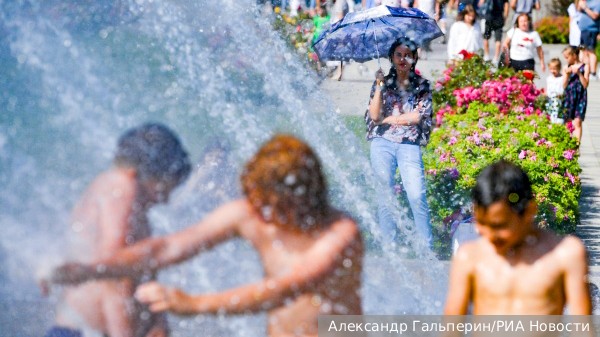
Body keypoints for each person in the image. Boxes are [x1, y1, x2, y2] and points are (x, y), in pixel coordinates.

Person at [48, 134, 364, 337]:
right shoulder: (252, 213)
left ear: (302, 197)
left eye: (270, 205)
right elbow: (167, 247)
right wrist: (93, 269)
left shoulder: (340, 233)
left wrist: (193, 304)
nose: (262, 215)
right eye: (258, 202)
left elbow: (281, 290)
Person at [41, 123, 192, 337]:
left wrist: (158, 323)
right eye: (163, 187)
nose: (164, 200)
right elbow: (114, 274)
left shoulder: (112, 190)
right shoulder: (123, 188)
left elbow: (137, 271)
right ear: (139, 172)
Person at [444, 160, 592, 315]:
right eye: (481, 224)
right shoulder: (469, 257)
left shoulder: (565, 255)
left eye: (499, 226)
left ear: (530, 211)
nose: (489, 235)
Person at [366, 37, 433, 248]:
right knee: (385, 195)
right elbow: (375, 115)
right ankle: (389, 248)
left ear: (414, 58)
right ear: (392, 58)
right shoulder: (382, 83)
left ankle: (426, 249)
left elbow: (417, 117)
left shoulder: (422, 86)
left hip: (408, 143)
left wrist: (390, 119)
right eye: (398, 55)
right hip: (382, 142)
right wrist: (378, 86)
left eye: (407, 55)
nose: (403, 59)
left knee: (416, 195)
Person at [562, 45, 590, 144]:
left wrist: (579, 73)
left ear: (574, 55)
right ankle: (567, 143)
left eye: (567, 57)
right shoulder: (566, 67)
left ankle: (576, 145)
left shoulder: (585, 66)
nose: (566, 59)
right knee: (568, 121)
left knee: (578, 122)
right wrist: (567, 75)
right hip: (569, 96)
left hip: (580, 97)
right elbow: (564, 85)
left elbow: (585, 84)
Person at [577, 0, 600, 80]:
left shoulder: (597, 2)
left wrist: (585, 7)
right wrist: (580, 5)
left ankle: (593, 73)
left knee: (590, 51)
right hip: (583, 30)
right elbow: (579, 10)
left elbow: (595, 16)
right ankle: (587, 70)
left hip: (591, 30)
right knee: (583, 50)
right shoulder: (586, 1)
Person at [545, 58, 565, 124]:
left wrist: (561, 94)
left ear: (559, 68)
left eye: (554, 69)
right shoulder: (549, 78)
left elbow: (563, 88)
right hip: (550, 99)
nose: (552, 71)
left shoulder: (562, 78)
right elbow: (548, 88)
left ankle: (558, 124)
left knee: (558, 116)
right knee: (550, 115)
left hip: (558, 100)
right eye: (551, 69)